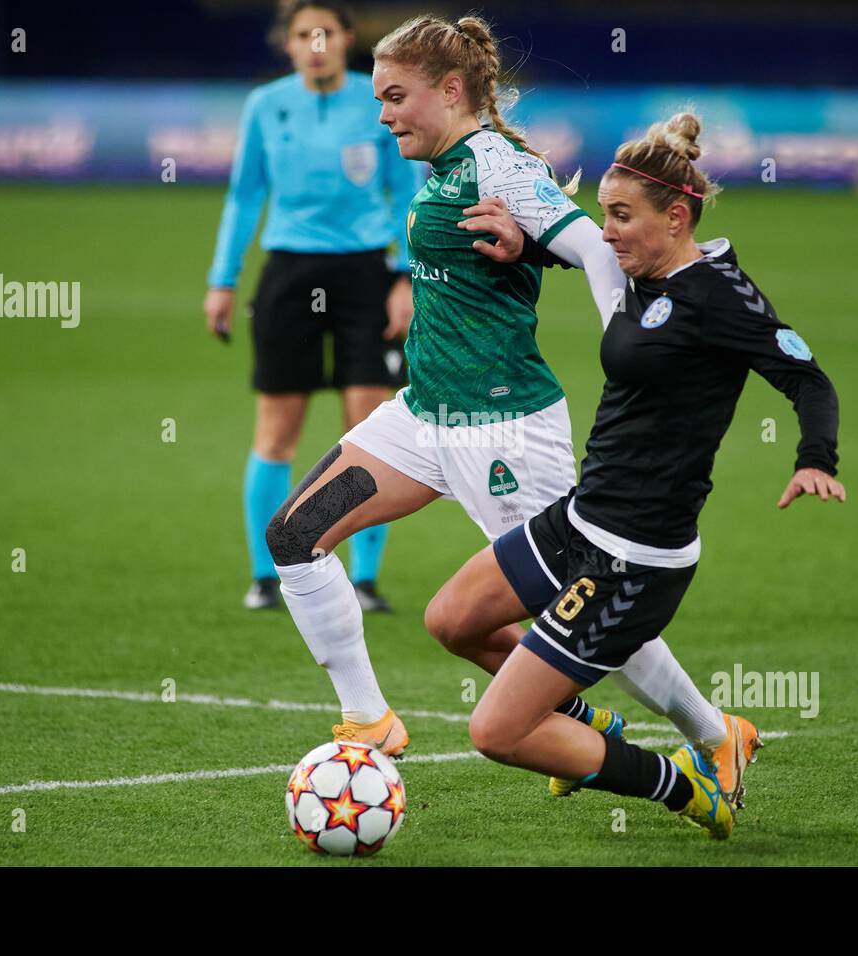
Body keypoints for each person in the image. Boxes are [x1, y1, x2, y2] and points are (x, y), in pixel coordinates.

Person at [265, 15, 760, 802]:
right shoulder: (448, 164)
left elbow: (596, 246)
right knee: (294, 536)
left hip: (504, 432)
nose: (383, 114)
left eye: (396, 96)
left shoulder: (496, 162)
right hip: (426, 417)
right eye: (378, 98)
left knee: (589, 607)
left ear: (451, 90)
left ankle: (713, 732)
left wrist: (627, 349)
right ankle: (369, 721)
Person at [450, 111, 844, 838]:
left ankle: (686, 785)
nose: (606, 231)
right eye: (605, 213)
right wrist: (523, 244)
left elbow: (809, 379)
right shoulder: (640, 270)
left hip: (634, 556)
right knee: (454, 619)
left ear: (677, 216)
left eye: (622, 215)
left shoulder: (721, 296)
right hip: (580, 516)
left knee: (496, 732)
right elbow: (570, 240)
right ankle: (585, 732)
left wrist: (815, 459)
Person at [204, 1, 422, 613]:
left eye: (326, 32)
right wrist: (222, 280)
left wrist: (405, 275)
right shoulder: (265, 105)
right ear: (290, 44)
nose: (316, 43)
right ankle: (265, 575)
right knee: (278, 429)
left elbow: (406, 189)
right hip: (288, 275)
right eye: (304, 34)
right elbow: (244, 196)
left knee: (370, 426)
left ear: (348, 39)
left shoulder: (377, 101)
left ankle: (366, 578)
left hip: (366, 276)